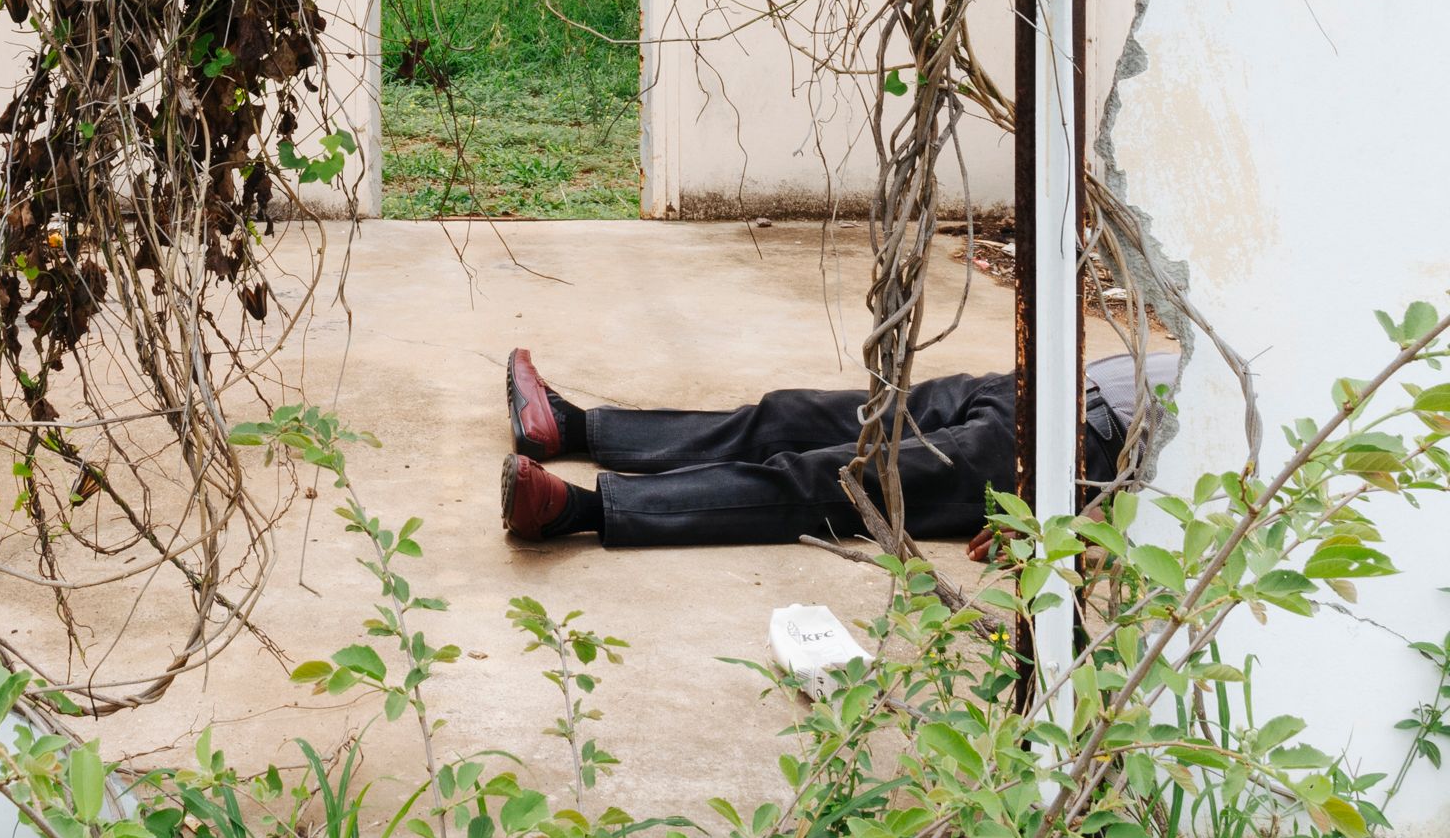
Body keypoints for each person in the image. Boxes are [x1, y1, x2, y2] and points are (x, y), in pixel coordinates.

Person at [499, 346, 1172, 550]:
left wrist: (1068, 524)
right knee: (790, 416)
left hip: (1070, 450)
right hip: (1031, 385)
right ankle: (576, 428)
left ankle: (581, 511)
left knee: (833, 479)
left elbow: (1216, 501)